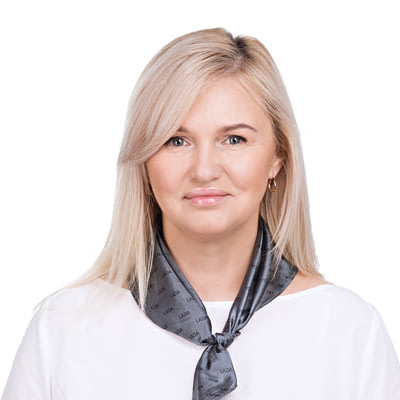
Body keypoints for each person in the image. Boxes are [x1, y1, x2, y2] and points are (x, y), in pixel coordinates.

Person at [2, 28, 399, 400]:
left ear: (278, 157)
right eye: (176, 140)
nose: (205, 169)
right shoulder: (64, 329)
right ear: (144, 163)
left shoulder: (350, 331)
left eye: (234, 139)